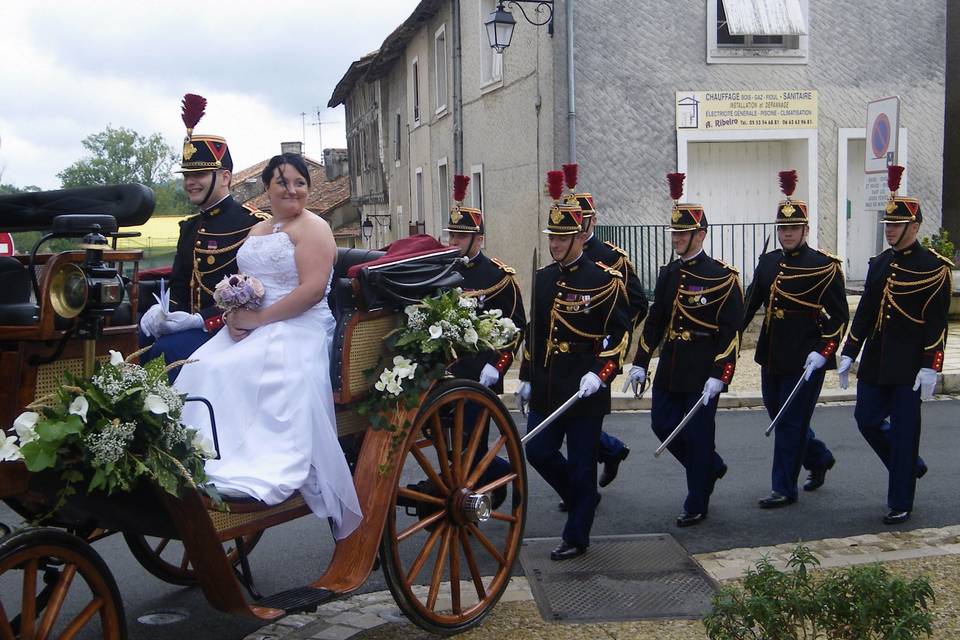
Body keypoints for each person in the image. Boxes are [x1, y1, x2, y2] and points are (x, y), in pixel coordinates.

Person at [175, 153, 362, 539]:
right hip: (255, 320)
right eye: (282, 182)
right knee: (201, 364)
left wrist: (260, 320)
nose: (292, 189)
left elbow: (311, 291)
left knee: (231, 368)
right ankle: (199, 454)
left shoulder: (315, 228)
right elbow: (246, 280)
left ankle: (246, 460)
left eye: (300, 182)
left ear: (308, 189)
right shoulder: (259, 230)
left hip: (298, 324)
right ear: (268, 189)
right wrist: (232, 313)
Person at [518, 170, 631, 560]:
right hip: (549, 386)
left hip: (584, 391)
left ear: (580, 237)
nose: (555, 245)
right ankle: (583, 499)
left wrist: (600, 375)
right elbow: (535, 335)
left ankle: (577, 535)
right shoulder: (544, 279)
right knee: (538, 452)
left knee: (583, 465)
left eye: (562, 238)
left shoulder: (604, 281)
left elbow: (619, 336)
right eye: (551, 238)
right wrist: (527, 378)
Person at [838, 164, 952, 525]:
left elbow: (937, 323)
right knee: (866, 419)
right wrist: (849, 351)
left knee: (905, 434)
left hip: (909, 364)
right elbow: (867, 312)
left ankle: (900, 499)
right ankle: (910, 467)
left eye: (895, 225)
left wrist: (932, 365)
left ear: (914, 227)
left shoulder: (934, 268)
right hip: (876, 359)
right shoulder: (880, 264)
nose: (889, 230)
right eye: (886, 225)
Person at [627, 173, 743, 528]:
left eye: (683, 233)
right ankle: (709, 465)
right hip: (672, 366)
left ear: (700, 235)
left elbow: (732, 333)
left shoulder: (723, 278)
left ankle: (697, 501)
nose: (676, 239)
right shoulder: (669, 274)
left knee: (697, 433)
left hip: (701, 370)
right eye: (674, 233)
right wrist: (641, 363)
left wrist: (720, 376)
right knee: (662, 424)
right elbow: (656, 322)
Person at [741, 170, 846, 509]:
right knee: (780, 414)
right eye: (783, 228)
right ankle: (818, 458)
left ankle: (784, 488)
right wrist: (728, 340)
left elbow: (839, 318)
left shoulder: (824, 267)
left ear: (806, 230)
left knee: (788, 422)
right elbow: (749, 304)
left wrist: (823, 352)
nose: (787, 234)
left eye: (793, 228)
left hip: (805, 358)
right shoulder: (768, 263)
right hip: (771, 354)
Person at [140, 94, 265, 376]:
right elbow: (180, 286)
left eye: (200, 175)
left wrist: (199, 320)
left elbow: (259, 294)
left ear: (224, 177)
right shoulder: (190, 227)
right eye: (186, 175)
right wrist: (165, 315)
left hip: (229, 328)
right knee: (142, 337)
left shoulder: (253, 224)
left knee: (167, 351)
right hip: (193, 328)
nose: (190, 182)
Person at [561, 163, 648, 496]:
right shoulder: (562, 255)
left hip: (600, 352)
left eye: (581, 220)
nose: (577, 227)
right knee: (570, 420)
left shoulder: (613, 258)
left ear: (592, 220)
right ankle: (609, 452)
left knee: (582, 421)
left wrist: (616, 339)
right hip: (568, 352)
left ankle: (582, 492)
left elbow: (637, 303)